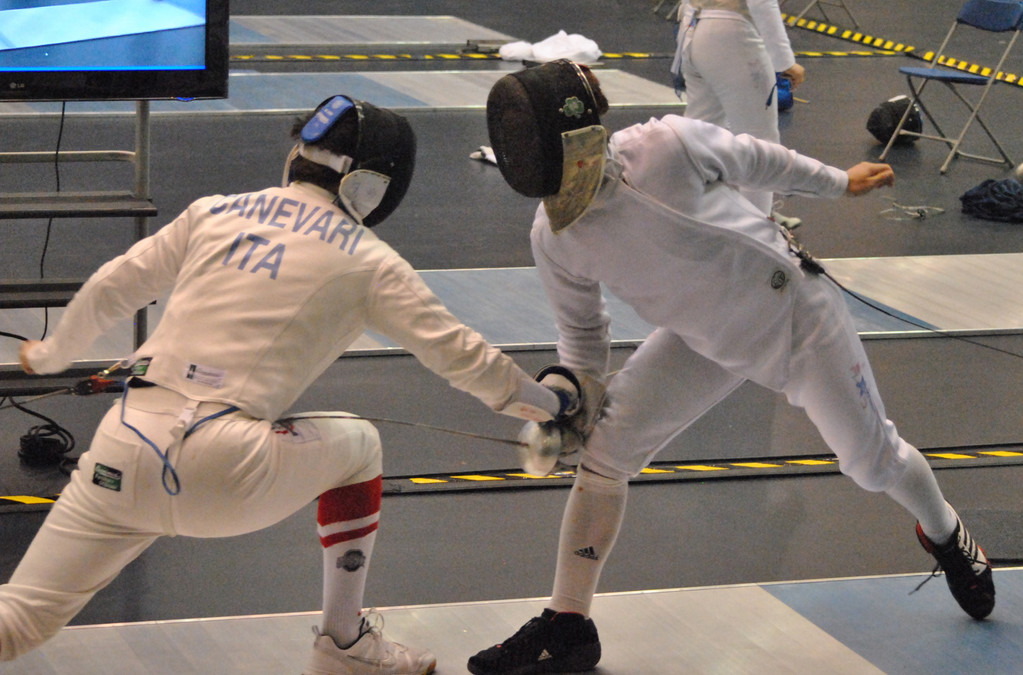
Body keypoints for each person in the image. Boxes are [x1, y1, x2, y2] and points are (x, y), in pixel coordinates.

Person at [0, 94, 583, 675]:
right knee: (359, 444)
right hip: (224, 471)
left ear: (297, 152)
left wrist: (51, 353)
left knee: (20, 617)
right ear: (376, 187)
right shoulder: (368, 261)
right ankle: (345, 648)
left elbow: (112, 285)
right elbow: (465, 358)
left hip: (122, 447)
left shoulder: (214, 212)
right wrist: (550, 403)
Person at [468, 59, 995, 675]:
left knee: (872, 462)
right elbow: (583, 337)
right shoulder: (554, 237)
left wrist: (838, 181)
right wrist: (570, 395)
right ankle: (569, 621)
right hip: (703, 340)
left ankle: (945, 531)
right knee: (605, 451)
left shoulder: (665, 145)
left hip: (796, 318)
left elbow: (757, 159)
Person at [670, 0, 806, 225]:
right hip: (730, 31)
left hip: (692, 25)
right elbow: (762, 2)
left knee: (698, 133)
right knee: (761, 143)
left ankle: (681, 213)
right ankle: (759, 228)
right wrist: (784, 61)